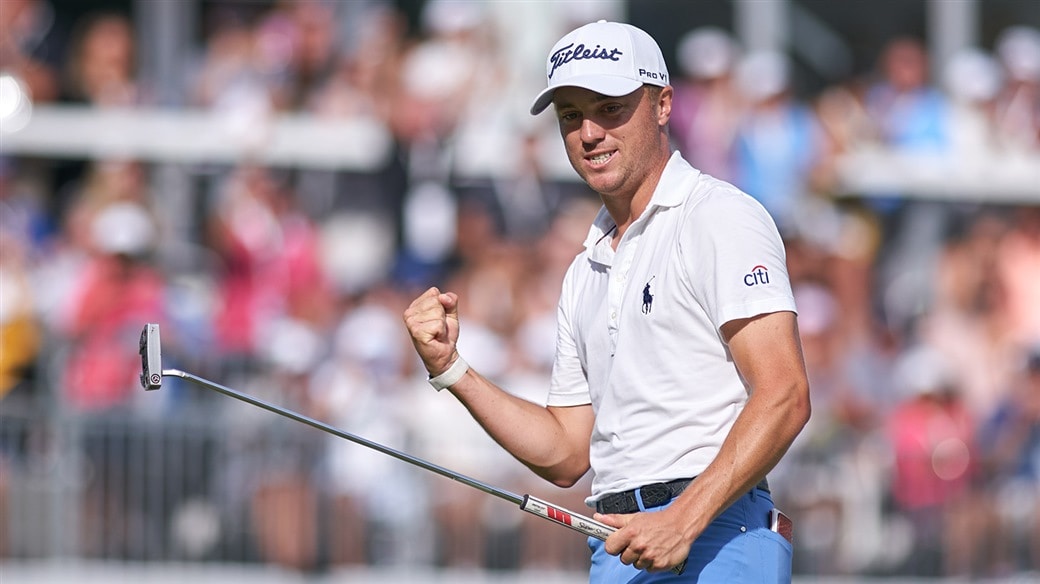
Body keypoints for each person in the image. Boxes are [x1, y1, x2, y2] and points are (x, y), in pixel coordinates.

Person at [403, 20, 811, 583]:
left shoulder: (719, 216)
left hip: (721, 532)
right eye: (571, 115)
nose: (589, 132)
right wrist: (452, 370)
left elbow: (785, 394)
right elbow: (567, 453)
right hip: (619, 547)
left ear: (663, 105)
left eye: (611, 107)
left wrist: (683, 520)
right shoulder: (584, 270)